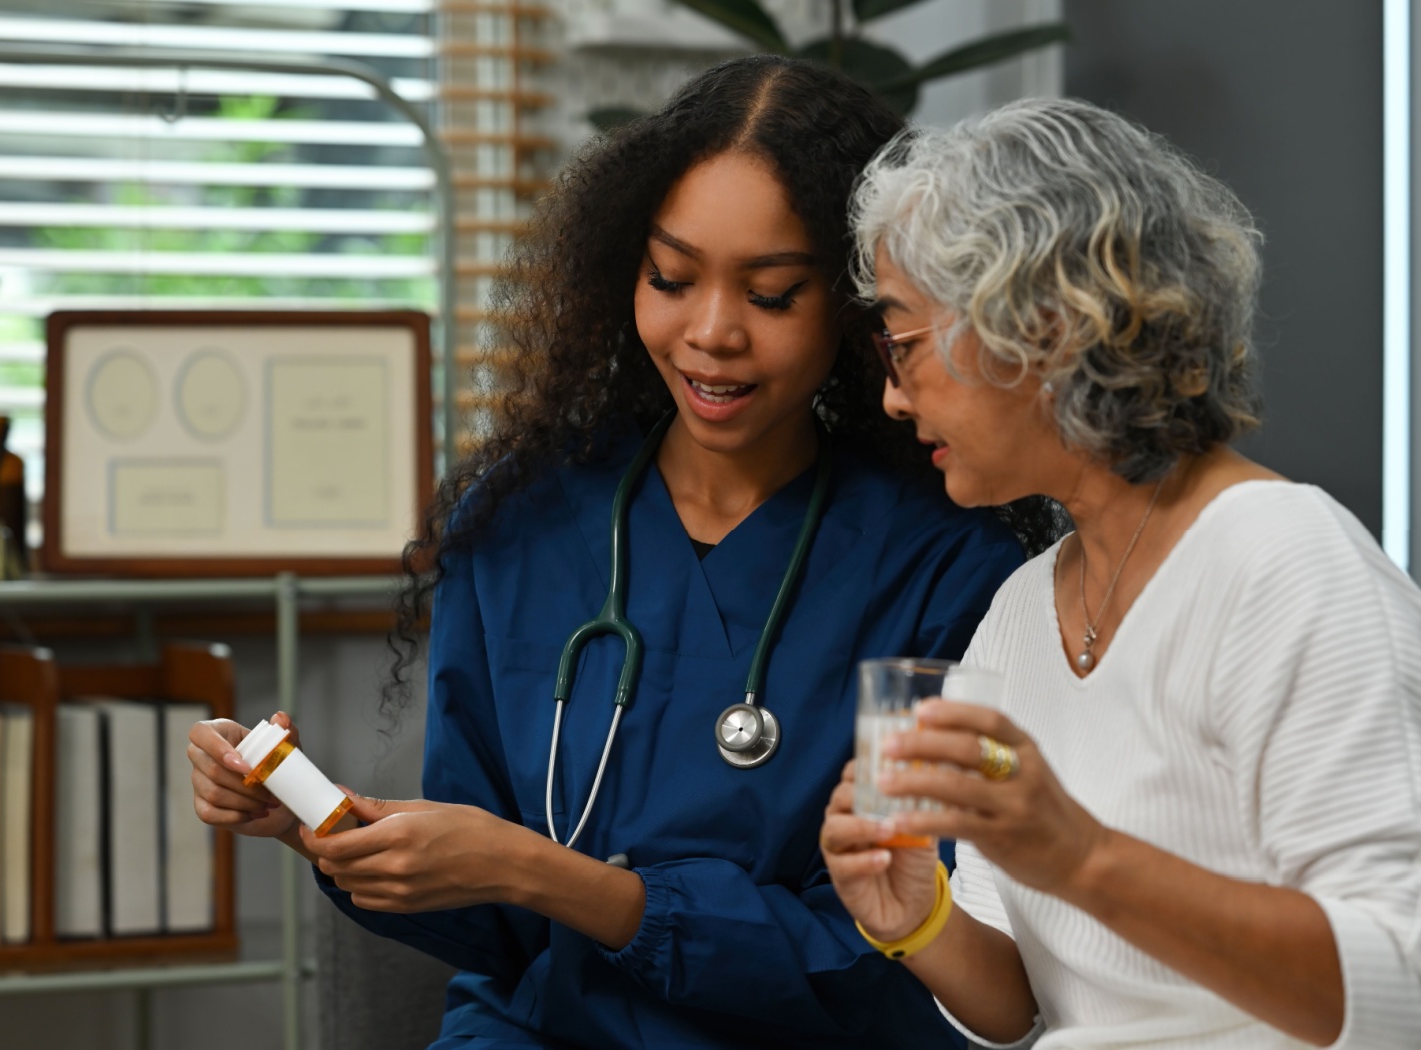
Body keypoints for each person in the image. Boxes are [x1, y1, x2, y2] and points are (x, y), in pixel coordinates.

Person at [188, 57, 1043, 1048]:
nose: (710, 334)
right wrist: (320, 823)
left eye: (771, 295)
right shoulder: (519, 527)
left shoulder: (946, 573)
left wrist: (561, 881)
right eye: (670, 279)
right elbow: (499, 931)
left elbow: (906, 962)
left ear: (857, 310)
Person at [821, 97, 1421, 1049]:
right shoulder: (1021, 612)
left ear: (1045, 327)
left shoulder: (1288, 565)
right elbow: (1023, 1010)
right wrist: (919, 918)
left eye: (902, 341)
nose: (893, 396)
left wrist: (1087, 858)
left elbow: (1402, 985)